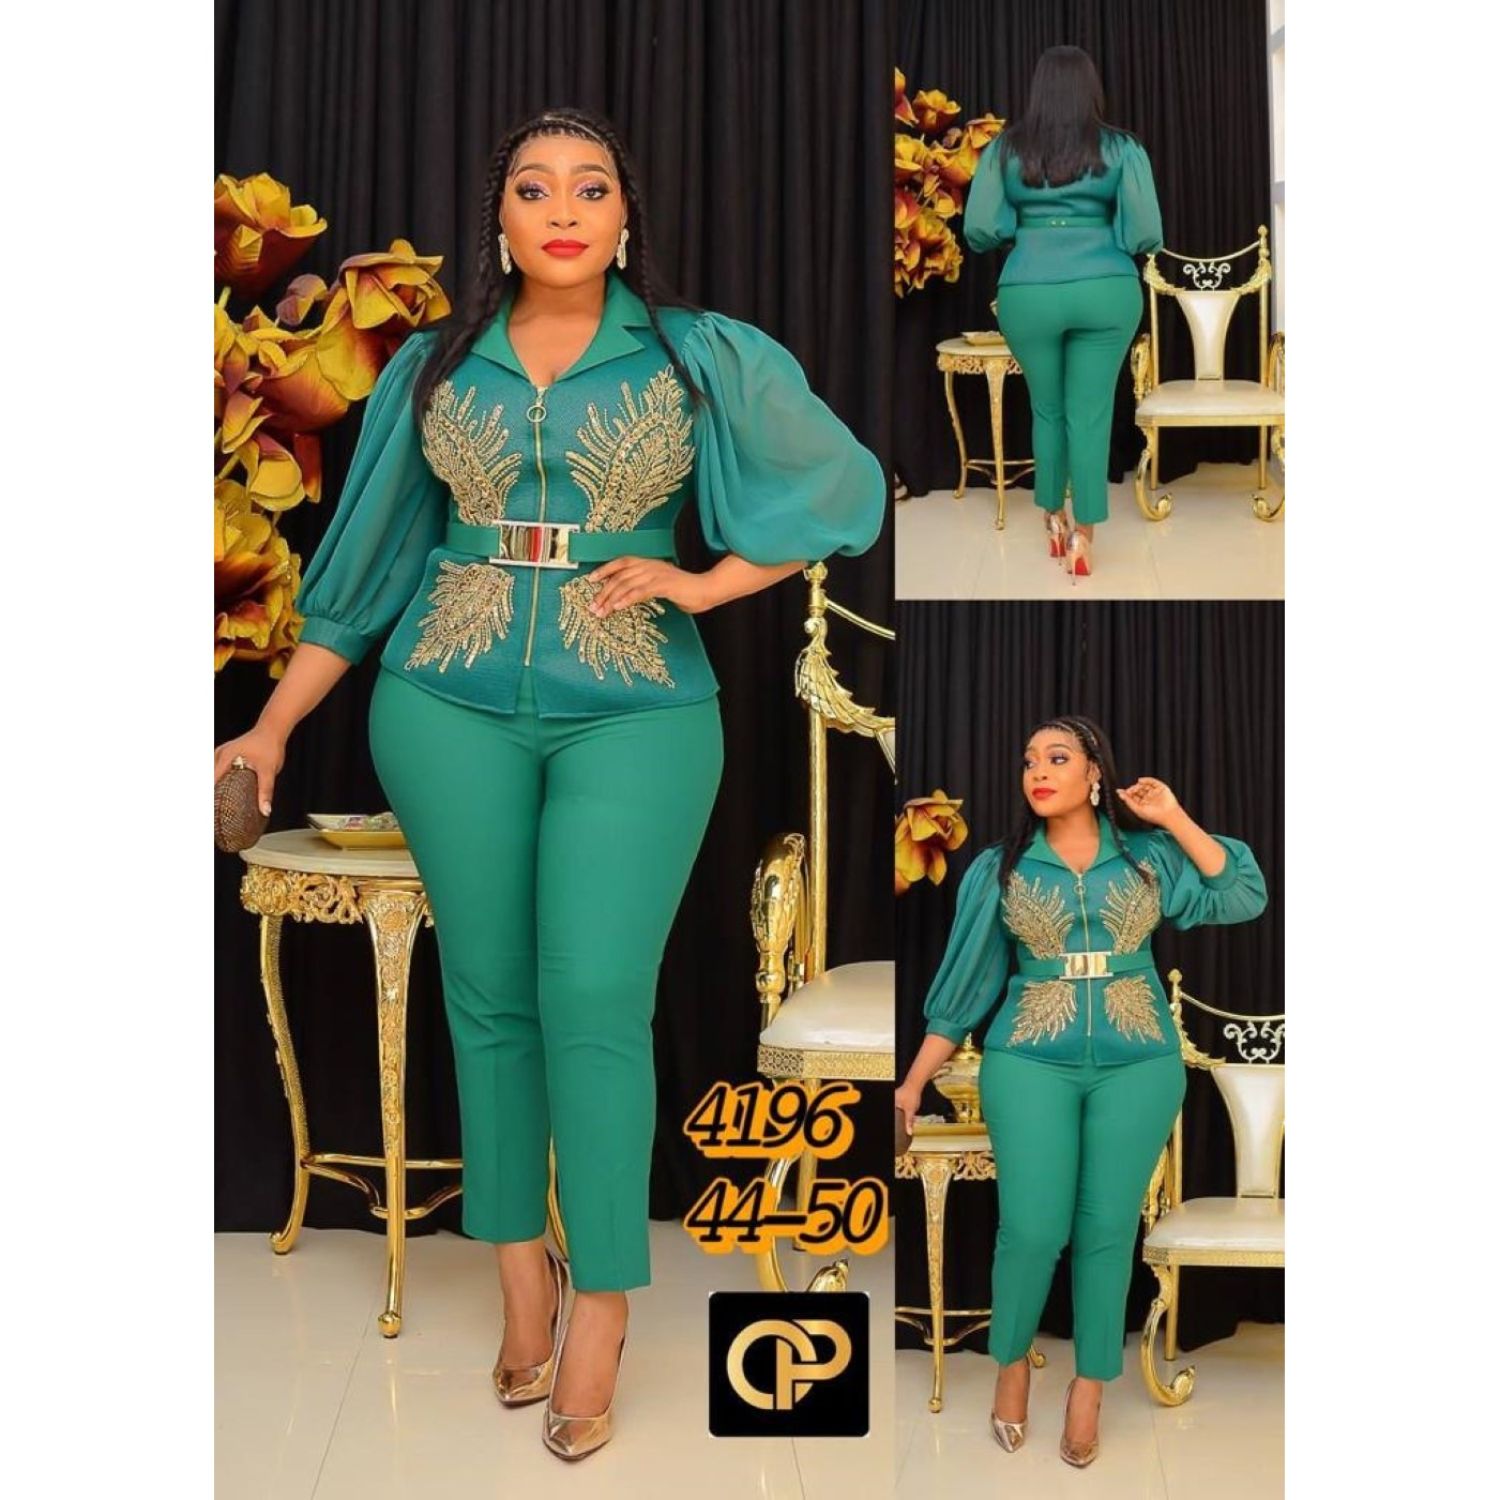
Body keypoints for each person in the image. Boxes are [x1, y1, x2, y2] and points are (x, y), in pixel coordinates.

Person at [213, 106, 885, 1461]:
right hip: (443, 700)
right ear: (501, 219)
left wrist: (708, 583)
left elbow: (844, 486)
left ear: (626, 217)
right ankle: (522, 1268)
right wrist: (269, 731)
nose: (564, 209)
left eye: (591, 187)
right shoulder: (435, 369)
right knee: (489, 995)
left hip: (638, 709)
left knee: (593, 996)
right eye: (535, 188)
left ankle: (606, 1304)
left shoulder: (698, 355)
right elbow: (361, 576)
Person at [894, 715, 1266, 1467]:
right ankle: (1011, 1366)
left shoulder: (1150, 856)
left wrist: (1172, 816)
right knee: (1031, 1229)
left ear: (1095, 773)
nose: (1038, 770)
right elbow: (963, 988)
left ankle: (1090, 1384)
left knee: (1106, 1230)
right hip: (1030, 1058)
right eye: (1029, 759)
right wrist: (912, 1082)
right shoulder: (1001, 869)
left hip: (1140, 1062)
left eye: (1057, 758)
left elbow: (1241, 893)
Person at [964, 46, 1163, 578]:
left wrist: (1028, 230)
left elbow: (979, 228)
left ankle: (1053, 517)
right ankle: (1084, 534)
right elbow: (1146, 232)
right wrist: (1103, 232)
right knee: (1090, 412)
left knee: (1047, 409)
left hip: (1028, 289)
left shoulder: (1006, 149)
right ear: (1090, 89)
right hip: (1107, 288)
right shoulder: (1122, 148)